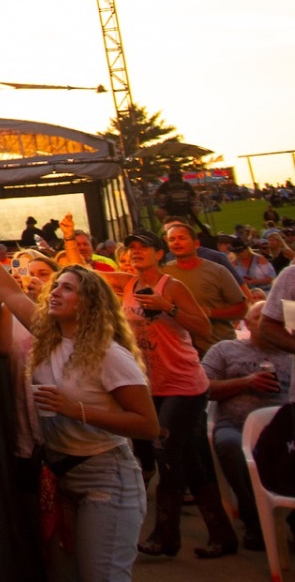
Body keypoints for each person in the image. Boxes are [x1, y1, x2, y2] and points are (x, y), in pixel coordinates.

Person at [0, 207, 157, 582]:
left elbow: (147, 425)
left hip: (106, 476)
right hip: (61, 472)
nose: (56, 292)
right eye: (57, 285)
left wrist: (76, 409)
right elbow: (7, 290)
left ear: (88, 303)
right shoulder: (47, 335)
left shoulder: (107, 354)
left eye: (68, 288)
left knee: (101, 575)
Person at [115, 230, 237, 559]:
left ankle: (165, 534)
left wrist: (168, 307)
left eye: (143, 247)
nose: (136, 252)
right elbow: (84, 273)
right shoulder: (126, 284)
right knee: (191, 461)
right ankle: (222, 535)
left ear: (159, 254)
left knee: (165, 449)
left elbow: (203, 329)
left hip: (184, 384)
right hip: (153, 386)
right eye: (132, 248)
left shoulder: (173, 286)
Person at [204, 301, 289, 551]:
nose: (265, 321)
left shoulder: (291, 354)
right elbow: (203, 387)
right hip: (235, 424)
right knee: (229, 445)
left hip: (283, 430)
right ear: (247, 323)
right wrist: (246, 382)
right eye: (259, 316)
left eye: (272, 317)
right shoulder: (225, 349)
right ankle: (255, 519)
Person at [158, 221, 247, 354]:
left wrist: (209, 313)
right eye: (172, 239)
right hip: (182, 349)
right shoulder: (163, 272)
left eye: (182, 238)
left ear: (196, 244)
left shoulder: (217, 271)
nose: (176, 243)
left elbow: (242, 309)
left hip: (218, 347)